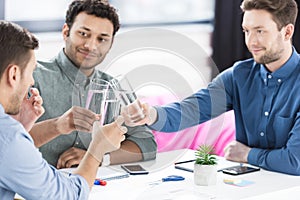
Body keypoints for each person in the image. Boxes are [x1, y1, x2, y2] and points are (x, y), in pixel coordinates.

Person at [123, 0, 300, 175]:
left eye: (260, 31)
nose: (251, 41)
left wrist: (247, 154)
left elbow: (294, 162)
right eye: (246, 31)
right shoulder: (239, 76)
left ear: (287, 32)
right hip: (248, 183)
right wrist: (150, 114)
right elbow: (190, 110)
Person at [0, 20, 127, 199]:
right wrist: (97, 149)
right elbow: (68, 195)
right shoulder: (7, 136)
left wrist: (24, 127)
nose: (31, 81)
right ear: (13, 74)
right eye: (30, 72)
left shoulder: (9, 135)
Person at [31, 0, 157, 168]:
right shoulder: (32, 76)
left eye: (102, 39)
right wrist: (57, 125)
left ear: (111, 44)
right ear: (66, 32)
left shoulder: (115, 86)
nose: (91, 46)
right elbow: (9, 139)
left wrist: (97, 157)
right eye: (83, 34)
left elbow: (147, 144)